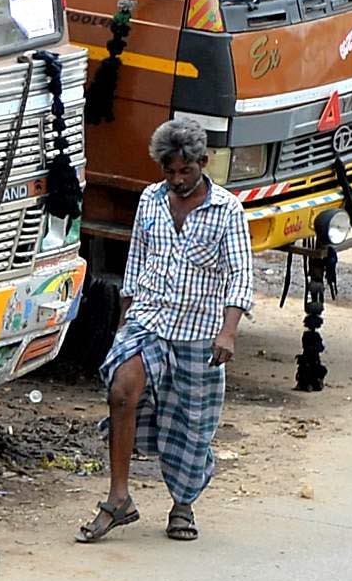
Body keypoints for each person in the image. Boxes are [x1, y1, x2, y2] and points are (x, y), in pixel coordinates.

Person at [83, 117, 253, 544]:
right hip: (149, 321)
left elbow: (240, 276)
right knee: (122, 390)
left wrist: (228, 333)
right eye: (170, 172)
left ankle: (182, 504)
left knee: (189, 426)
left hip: (199, 331)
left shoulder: (227, 210)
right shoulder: (150, 201)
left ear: (203, 162)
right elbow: (136, 262)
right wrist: (124, 322)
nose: (178, 180)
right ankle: (118, 498)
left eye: (186, 171)